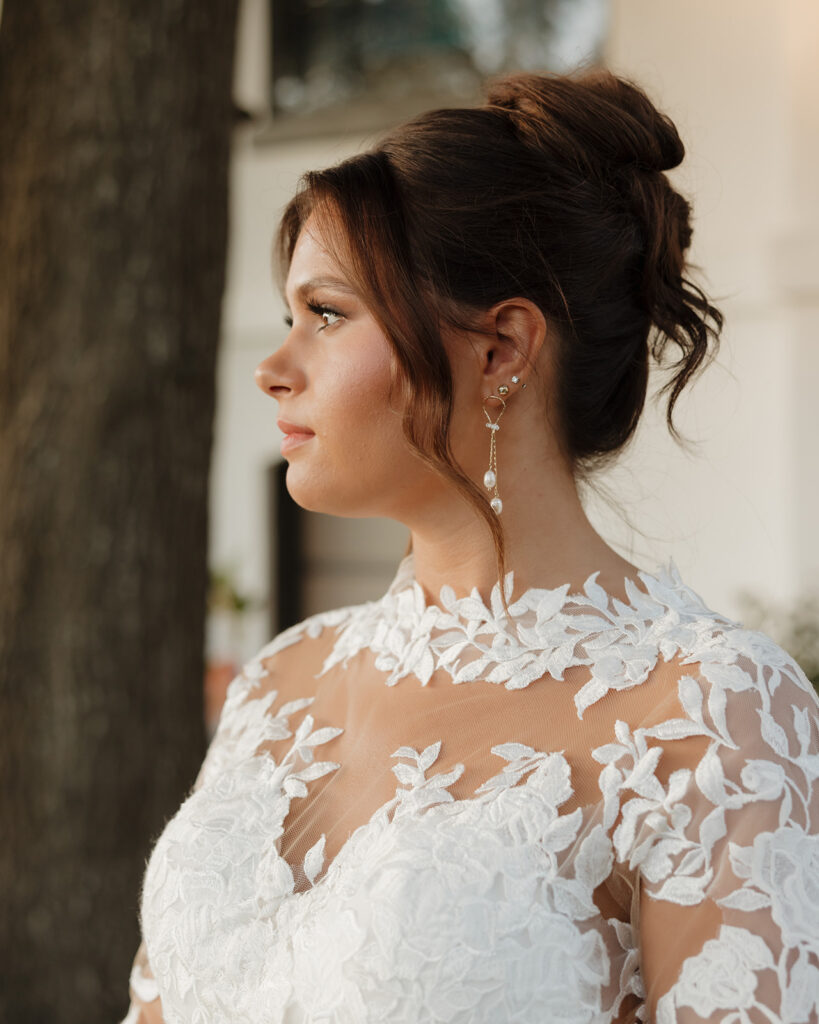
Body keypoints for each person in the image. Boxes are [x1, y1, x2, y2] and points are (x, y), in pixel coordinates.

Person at [120, 68, 819, 1023]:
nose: (274, 368)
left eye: (326, 315)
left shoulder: (707, 712)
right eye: (289, 318)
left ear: (500, 351)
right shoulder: (280, 684)